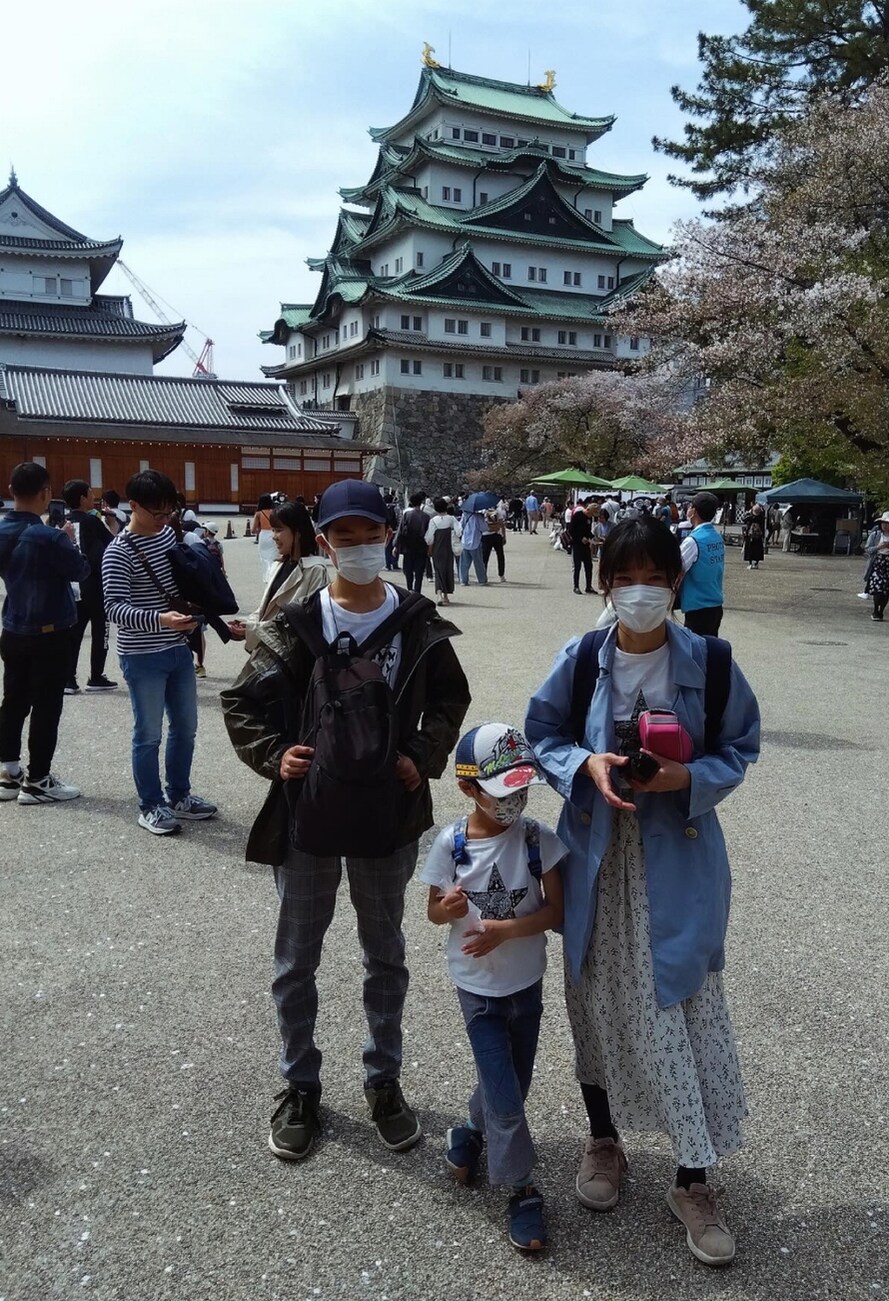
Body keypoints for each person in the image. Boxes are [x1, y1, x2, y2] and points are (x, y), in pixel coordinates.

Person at [525, 515, 760, 1267]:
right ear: (604, 584)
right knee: (594, 1000)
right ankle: (604, 1141)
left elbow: (740, 746)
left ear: (674, 582)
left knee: (685, 1009)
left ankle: (693, 1178)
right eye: (623, 578)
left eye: (652, 576)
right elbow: (542, 734)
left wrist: (688, 775)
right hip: (597, 856)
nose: (638, 592)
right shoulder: (584, 656)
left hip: (677, 858)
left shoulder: (710, 661)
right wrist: (585, 765)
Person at [220, 479, 471, 1164]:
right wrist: (277, 756)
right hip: (307, 814)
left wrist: (423, 753)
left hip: (388, 812)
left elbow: (451, 695)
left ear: (387, 535)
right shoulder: (295, 621)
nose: (358, 545)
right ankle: (299, 1084)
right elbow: (241, 702)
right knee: (295, 959)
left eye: (370, 532)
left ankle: (383, 1080)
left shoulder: (417, 621)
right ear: (322, 540)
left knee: (385, 953)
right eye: (344, 534)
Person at [421, 723, 565, 1253]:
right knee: (507, 1099)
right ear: (468, 788)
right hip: (476, 990)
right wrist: (447, 909)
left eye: (524, 788)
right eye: (504, 791)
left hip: (527, 985)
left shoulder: (538, 840)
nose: (517, 801)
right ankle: (521, 1189)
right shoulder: (450, 845)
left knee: (513, 1082)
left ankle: (469, 1132)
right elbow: (434, 912)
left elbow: (558, 912)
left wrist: (507, 929)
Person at [102, 470, 218, 836]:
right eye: (157, 512)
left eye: (169, 512)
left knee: (186, 728)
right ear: (132, 506)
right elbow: (114, 609)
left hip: (177, 649)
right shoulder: (118, 553)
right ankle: (151, 804)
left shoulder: (168, 535)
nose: (164, 519)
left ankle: (179, 795)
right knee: (148, 733)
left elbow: (179, 584)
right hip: (142, 656)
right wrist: (160, 619)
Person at [0, 462, 89, 804]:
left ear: (11, 491)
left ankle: (9, 771)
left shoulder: (3, 530)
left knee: (14, 700)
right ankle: (38, 779)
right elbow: (80, 570)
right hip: (50, 629)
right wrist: (68, 540)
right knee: (46, 704)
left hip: (13, 626)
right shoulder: (50, 536)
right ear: (45, 493)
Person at [231, 500, 330, 649]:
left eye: (279, 530)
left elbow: (307, 621)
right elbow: (265, 609)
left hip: (292, 655)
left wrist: (253, 629)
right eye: (273, 530)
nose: (274, 536)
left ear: (297, 532)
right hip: (269, 648)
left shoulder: (315, 570)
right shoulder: (278, 565)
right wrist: (247, 623)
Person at [64, 479, 117, 693]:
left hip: (71, 587)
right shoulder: (91, 522)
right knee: (100, 630)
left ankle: (68, 678)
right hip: (94, 585)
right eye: (90, 493)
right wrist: (111, 522)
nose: (94, 497)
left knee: (73, 634)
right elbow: (111, 546)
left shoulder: (61, 521)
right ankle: (96, 676)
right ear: (82, 498)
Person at [678, 493, 725, 637]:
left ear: (694, 511)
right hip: (715, 605)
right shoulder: (717, 537)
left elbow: (677, 569)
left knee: (696, 653)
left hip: (698, 608)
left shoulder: (693, 541)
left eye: (690, 506)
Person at [865, 510, 889, 621]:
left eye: (887, 524)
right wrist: (879, 547)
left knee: (886, 590)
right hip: (878, 563)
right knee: (877, 587)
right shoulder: (875, 535)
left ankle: (881, 610)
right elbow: (868, 549)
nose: (885, 526)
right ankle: (875, 609)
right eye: (883, 523)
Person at [426, 497, 461, 606]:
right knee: (448, 570)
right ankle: (446, 595)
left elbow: (429, 538)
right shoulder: (451, 519)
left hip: (437, 548)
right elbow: (459, 531)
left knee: (438, 571)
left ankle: (439, 594)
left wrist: (429, 549)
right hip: (448, 548)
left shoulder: (433, 521)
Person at [394, 493, 430, 594]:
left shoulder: (407, 515)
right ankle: (417, 590)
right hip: (422, 546)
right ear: (421, 503)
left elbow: (400, 531)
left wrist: (396, 545)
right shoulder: (426, 517)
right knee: (419, 571)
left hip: (408, 545)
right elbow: (429, 533)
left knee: (408, 569)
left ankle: (409, 588)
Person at [568, 504, 597, 595]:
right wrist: (580, 538)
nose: (592, 516)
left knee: (589, 566)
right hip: (577, 544)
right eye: (591, 514)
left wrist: (593, 537)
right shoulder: (577, 515)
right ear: (588, 510)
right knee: (577, 566)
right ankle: (576, 586)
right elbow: (571, 530)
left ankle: (589, 586)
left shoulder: (589, 519)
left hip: (586, 545)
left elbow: (587, 531)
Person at [251, 494, 278, 581]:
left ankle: (267, 576)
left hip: (263, 535)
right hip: (273, 533)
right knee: (273, 556)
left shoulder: (259, 513)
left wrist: (259, 529)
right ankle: (273, 573)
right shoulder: (275, 511)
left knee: (264, 557)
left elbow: (253, 530)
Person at [460, 507, 488, 586]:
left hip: (464, 541)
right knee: (479, 562)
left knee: (464, 563)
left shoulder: (464, 515)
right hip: (475, 541)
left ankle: (463, 580)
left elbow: (460, 527)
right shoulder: (478, 517)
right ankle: (482, 580)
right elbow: (484, 528)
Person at [482, 509, 507, 583]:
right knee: (500, 556)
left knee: (485, 557)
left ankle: (483, 575)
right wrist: (504, 536)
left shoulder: (482, 511)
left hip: (486, 535)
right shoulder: (498, 511)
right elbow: (502, 524)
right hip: (497, 534)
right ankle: (501, 575)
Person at [742, 504, 766, 570]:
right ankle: (756, 563)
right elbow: (763, 527)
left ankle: (750, 563)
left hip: (750, 536)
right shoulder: (762, 517)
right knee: (758, 550)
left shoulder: (750, 517)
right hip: (758, 536)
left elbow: (743, 519)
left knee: (750, 549)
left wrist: (748, 513)